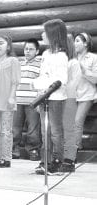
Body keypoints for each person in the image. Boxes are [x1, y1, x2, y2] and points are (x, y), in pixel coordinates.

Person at [33, 19, 69, 174]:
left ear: (53, 35)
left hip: (55, 98)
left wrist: (42, 85)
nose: (42, 34)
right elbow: (43, 75)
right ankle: (45, 161)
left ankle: (57, 161)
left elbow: (61, 80)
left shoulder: (61, 56)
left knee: (55, 131)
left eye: (45, 32)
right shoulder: (46, 54)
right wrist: (38, 89)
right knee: (44, 131)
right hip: (43, 98)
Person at [60, 32, 97, 172]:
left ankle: (71, 155)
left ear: (86, 43)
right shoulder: (70, 59)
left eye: (77, 41)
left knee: (76, 122)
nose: (74, 44)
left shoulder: (93, 58)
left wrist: (84, 69)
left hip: (87, 95)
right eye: (74, 41)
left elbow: (95, 79)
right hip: (71, 95)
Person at [0, 34, 21, 168]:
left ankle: (6, 158)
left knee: (6, 131)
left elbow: (15, 81)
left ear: (8, 46)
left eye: (1, 43)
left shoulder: (13, 61)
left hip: (7, 101)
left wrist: (12, 97)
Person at [12, 39, 42, 161]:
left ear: (37, 51)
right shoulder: (19, 63)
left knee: (33, 129)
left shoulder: (40, 64)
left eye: (31, 49)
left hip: (32, 102)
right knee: (15, 128)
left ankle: (33, 150)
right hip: (17, 100)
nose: (28, 51)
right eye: (26, 49)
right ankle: (14, 149)